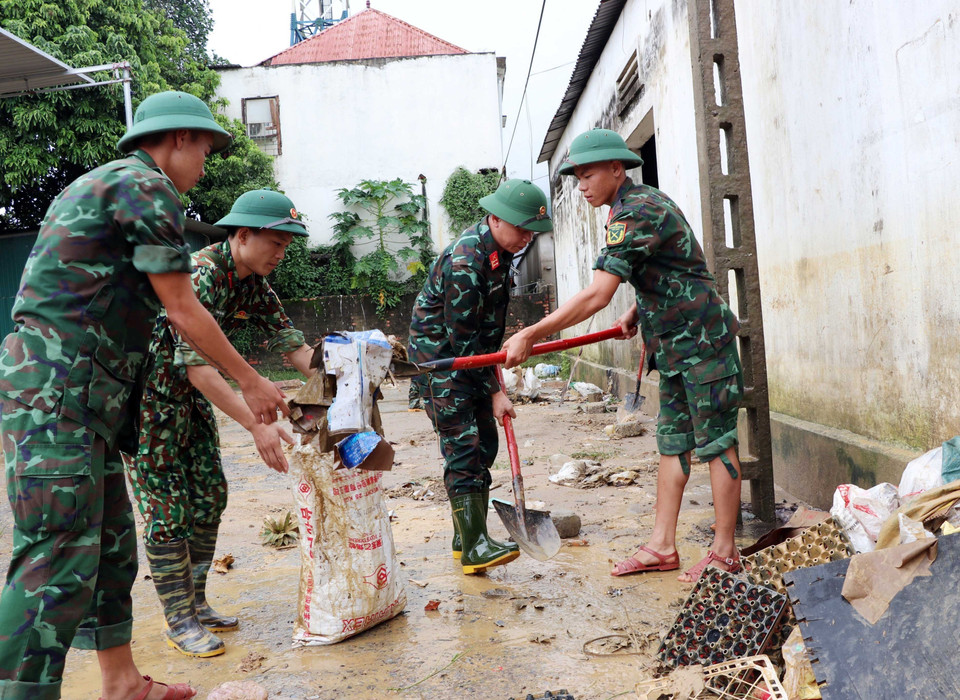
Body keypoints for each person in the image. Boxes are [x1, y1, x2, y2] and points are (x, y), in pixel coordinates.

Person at [0, 91, 289, 700]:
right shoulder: (145, 187)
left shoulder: (116, 186)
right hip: (59, 394)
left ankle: (122, 682)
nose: (206, 164)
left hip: (88, 400)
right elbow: (183, 312)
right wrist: (251, 380)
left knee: (108, 545)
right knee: (55, 554)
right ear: (179, 138)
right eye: (206, 150)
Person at [502, 129, 743, 584]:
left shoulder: (636, 212)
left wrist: (532, 333)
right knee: (673, 443)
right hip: (672, 345)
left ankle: (725, 553)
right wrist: (640, 306)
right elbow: (675, 264)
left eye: (588, 173)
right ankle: (661, 546)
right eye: (576, 176)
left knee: (717, 444)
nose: (581, 185)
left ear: (617, 169)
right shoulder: (638, 206)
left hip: (702, 345)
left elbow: (596, 295)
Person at [128, 189, 315, 658]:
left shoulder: (253, 281)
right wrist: (256, 424)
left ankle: (195, 602)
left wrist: (349, 368)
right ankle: (179, 619)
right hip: (149, 405)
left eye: (286, 245)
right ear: (243, 234)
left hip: (188, 404)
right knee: (167, 512)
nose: (280, 252)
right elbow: (198, 366)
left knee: (210, 494)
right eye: (274, 242)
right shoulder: (202, 274)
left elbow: (294, 348)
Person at [407, 179, 552, 575]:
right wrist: (494, 392)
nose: (526, 237)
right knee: (465, 448)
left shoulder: (500, 254)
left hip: (470, 359)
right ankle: (473, 546)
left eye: (530, 231)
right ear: (495, 218)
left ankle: (464, 536)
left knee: (484, 441)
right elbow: (463, 337)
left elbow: (486, 331)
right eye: (521, 228)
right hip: (442, 363)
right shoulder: (466, 260)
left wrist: (494, 378)